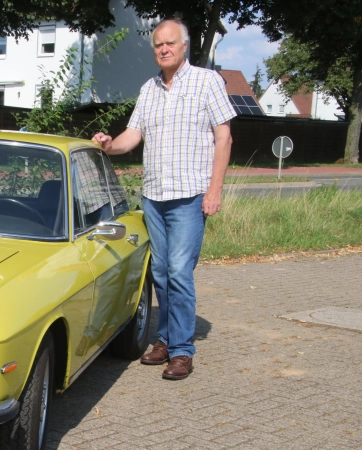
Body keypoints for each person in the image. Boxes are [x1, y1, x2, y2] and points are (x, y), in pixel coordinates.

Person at [92, 19, 235, 380]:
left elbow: (224, 138)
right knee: (159, 272)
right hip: (154, 196)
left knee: (179, 273)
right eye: (158, 45)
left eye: (170, 43)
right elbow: (132, 135)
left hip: (190, 196)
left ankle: (183, 350)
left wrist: (215, 190)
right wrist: (110, 146)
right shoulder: (149, 89)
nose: (164, 49)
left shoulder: (208, 82)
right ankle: (166, 340)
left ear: (184, 46)